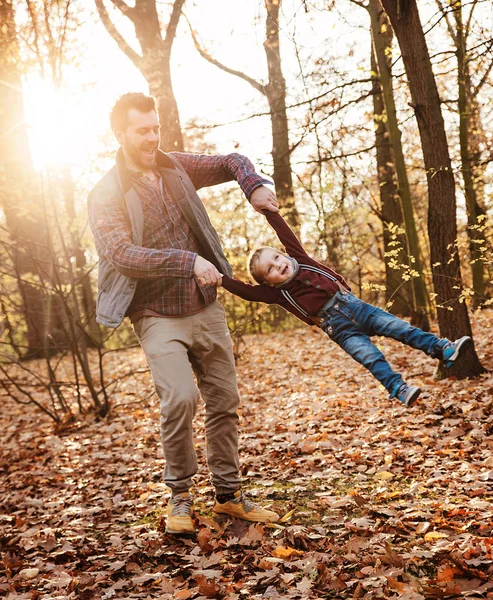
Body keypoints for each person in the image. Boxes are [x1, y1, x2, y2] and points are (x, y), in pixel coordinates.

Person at [88, 92, 280, 535]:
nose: (152, 137)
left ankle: (230, 496)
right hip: (156, 314)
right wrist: (187, 261)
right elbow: (121, 254)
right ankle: (179, 496)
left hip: (205, 306)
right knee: (180, 397)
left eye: (155, 128)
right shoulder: (105, 193)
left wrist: (253, 185)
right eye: (142, 130)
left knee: (224, 401)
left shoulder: (174, 165)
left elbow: (233, 159)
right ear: (120, 134)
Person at [220, 209, 472, 407]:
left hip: (358, 308)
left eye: (276, 258)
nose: (278, 265)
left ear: (283, 254)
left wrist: (268, 212)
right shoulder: (277, 294)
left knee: (401, 328)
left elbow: (284, 232)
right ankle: (399, 389)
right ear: (267, 282)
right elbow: (246, 291)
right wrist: (221, 279)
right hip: (339, 328)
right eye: (270, 270)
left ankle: (442, 349)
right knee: (370, 357)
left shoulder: (301, 259)